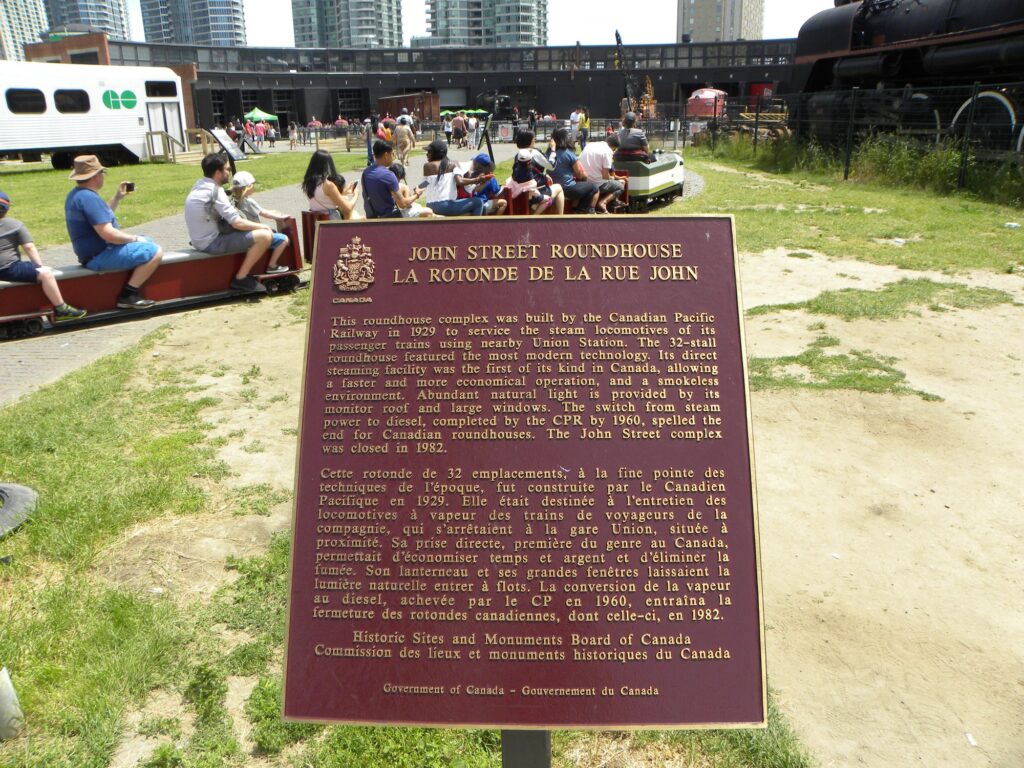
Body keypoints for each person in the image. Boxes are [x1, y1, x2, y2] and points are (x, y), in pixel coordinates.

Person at [64, 155, 163, 309]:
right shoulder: (89, 198)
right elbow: (108, 234)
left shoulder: (76, 195)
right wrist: (135, 238)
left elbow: (101, 216)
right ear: (96, 176)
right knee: (155, 250)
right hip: (100, 256)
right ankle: (128, 295)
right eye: (102, 173)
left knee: (147, 241)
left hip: (90, 254)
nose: (103, 176)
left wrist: (117, 198)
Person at [184, 153, 275, 294]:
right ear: (218, 173)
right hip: (211, 242)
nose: (230, 173)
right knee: (265, 236)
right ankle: (241, 278)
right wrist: (263, 226)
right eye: (228, 169)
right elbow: (236, 223)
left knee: (254, 231)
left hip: (198, 240)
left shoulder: (198, 186)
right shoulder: (216, 192)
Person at [0, 190, 86, 321]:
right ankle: (61, 308)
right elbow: (29, 247)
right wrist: (39, 266)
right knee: (46, 274)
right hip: (8, 269)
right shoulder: (15, 225)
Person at [229, 171, 291, 272]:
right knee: (283, 239)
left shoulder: (233, 200)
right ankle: (272, 265)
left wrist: (274, 212)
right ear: (248, 186)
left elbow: (263, 211)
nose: (254, 187)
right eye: (253, 185)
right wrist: (281, 217)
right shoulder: (248, 202)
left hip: (242, 235)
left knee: (274, 233)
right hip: (254, 236)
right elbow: (264, 213)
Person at [421, 140, 486, 217]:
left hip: (430, 205)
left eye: (429, 152)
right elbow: (460, 181)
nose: (427, 154)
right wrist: (476, 180)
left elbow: (425, 184)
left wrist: (417, 189)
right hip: (446, 206)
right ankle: (475, 228)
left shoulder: (427, 166)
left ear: (437, 153)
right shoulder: (453, 164)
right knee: (478, 202)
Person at [361, 140, 422, 219]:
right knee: (428, 212)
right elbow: (403, 204)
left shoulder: (365, 173)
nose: (394, 157)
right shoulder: (388, 175)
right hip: (390, 218)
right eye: (393, 154)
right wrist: (416, 195)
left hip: (372, 217)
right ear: (386, 155)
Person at [508, 130, 564, 215]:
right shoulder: (534, 152)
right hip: (536, 189)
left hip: (521, 190)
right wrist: (553, 150)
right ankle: (561, 217)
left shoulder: (518, 154)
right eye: (534, 139)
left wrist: (544, 175)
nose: (535, 140)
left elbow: (528, 170)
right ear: (530, 140)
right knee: (559, 187)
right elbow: (552, 166)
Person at [548, 127, 599, 214]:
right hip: (568, 189)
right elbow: (579, 174)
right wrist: (584, 176)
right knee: (594, 188)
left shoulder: (548, 153)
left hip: (552, 187)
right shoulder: (568, 153)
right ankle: (581, 209)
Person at [301, 150, 358, 220]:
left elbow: (325, 200)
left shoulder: (308, 183)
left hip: (315, 220)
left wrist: (344, 194)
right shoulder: (328, 185)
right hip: (331, 221)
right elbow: (347, 208)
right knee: (360, 217)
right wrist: (356, 195)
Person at [578, 134, 627, 213]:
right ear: (614, 147)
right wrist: (613, 178)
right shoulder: (608, 152)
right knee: (620, 186)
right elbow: (605, 176)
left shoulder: (589, 145)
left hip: (584, 181)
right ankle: (603, 202)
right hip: (598, 184)